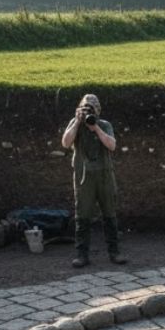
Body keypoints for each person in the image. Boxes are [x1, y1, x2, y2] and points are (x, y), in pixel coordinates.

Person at [62, 93, 127, 268]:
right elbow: (66, 143)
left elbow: (112, 146)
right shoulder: (75, 124)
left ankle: (115, 252)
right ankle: (82, 254)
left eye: (93, 108)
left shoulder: (104, 125)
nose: (90, 111)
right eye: (86, 107)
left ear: (98, 110)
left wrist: (96, 128)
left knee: (110, 213)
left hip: (104, 175)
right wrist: (77, 122)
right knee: (82, 215)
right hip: (84, 177)